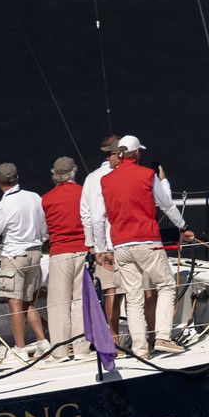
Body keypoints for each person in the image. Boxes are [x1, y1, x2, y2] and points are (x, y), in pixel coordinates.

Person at [91, 135, 196, 359]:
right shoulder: (148, 175)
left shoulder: (105, 180)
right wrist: (183, 227)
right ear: (137, 153)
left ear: (120, 154)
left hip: (120, 246)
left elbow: (98, 218)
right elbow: (166, 204)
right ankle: (162, 337)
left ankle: (140, 350)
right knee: (166, 285)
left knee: (134, 297)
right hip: (147, 242)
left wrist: (101, 249)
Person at [0, 162, 48, 353]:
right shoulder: (34, 197)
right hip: (35, 254)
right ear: (17, 178)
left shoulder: (2, 207)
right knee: (27, 301)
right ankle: (42, 341)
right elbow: (44, 229)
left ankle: (20, 349)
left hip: (15, 257)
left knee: (15, 303)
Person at [40, 156, 90, 362]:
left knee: (58, 304)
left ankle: (60, 352)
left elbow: (43, 231)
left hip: (59, 253)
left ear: (55, 175)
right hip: (83, 250)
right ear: (74, 172)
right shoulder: (84, 193)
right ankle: (82, 350)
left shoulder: (46, 199)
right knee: (81, 302)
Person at [80, 134, 123, 338]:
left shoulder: (90, 178)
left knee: (110, 290)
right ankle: (143, 337)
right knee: (132, 291)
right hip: (123, 240)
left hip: (101, 245)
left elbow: (85, 214)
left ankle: (113, 339)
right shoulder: (121, 175)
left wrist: (92, 245)